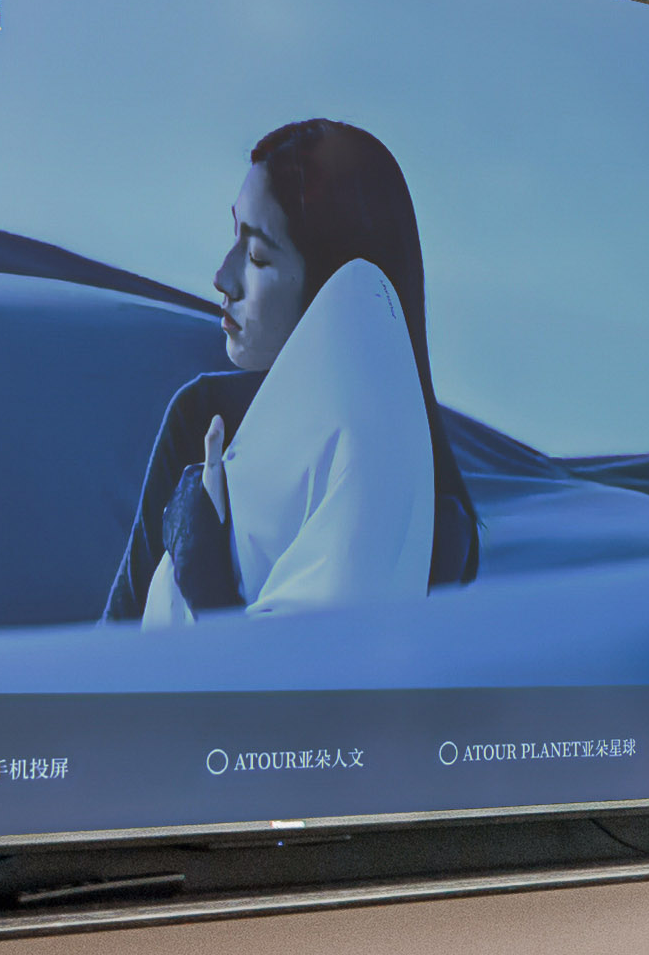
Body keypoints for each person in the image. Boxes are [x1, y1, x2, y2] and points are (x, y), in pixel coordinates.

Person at [105, 120, 482, 620]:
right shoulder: (205, 416)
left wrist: (204, 573)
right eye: (234, 236)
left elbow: (335, 664)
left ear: (333, 286)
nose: (223, 278)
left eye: (257, 256)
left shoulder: (429, 518)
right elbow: (114, 644)